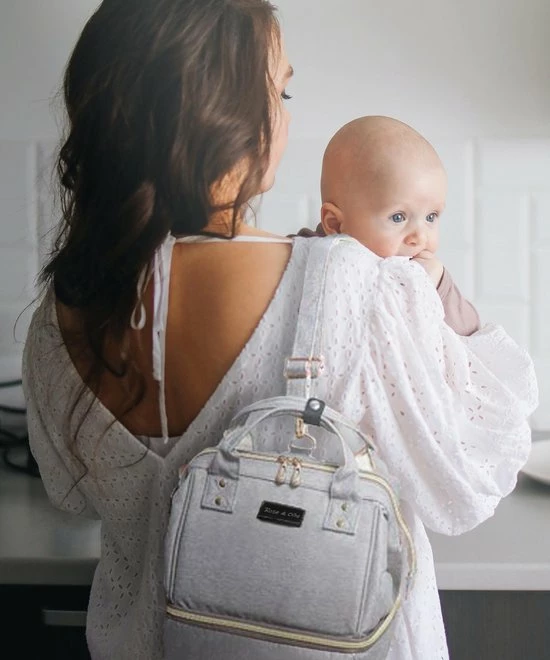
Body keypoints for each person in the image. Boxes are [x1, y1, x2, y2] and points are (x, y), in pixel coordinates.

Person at [21, 1, 538, 659]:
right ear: (225, 116)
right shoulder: (351, 284)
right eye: (280, 91)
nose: (287, 117)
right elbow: (476, 474)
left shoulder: (65, 307)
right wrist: (441, 295)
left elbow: (67, 491)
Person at [295, 115, 479, 336]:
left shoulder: (425, 276)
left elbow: (470, 331)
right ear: (335, 224)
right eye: (398, 217)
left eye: (431, 217)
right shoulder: (304, 260)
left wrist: (437, 285)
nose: (420, 237)